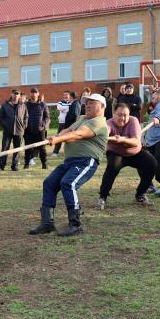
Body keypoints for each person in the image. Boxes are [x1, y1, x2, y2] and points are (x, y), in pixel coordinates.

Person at [29, 93, 109, 236]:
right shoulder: (83, 118)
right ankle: (47, 223)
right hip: (69, 161)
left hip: (86, 161)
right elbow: (69, 130)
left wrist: (59, 140)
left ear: (102, 106)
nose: (88, 105)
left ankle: (75, 225)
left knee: (68, 183)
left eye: (92, 102)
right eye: (87, 102)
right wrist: (57, 136)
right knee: (49, 183)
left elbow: (78, 134)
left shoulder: (99, 123)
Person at [95, 103, 157, 210]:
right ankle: (102, 197)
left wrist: (122, 139)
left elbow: (135, 142)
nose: (122, 118)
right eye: (119, 115)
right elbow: (104, 134)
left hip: (135, 152)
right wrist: (106, 137)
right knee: (112, 168)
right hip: (116, 153)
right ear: (114, 113)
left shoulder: (133, 121)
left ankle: (140, 194)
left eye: (125, 115)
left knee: (152, 164)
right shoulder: (108, 123)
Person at [0, 89, 28, 170]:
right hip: (8, 131)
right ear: (11, 94)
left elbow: (26, 117)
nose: (16, 95)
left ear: (20, 95)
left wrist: (23, 126)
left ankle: (15, 166)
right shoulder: (5, 105)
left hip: (19, 130)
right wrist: (5, 126)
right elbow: (0, 118)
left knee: (17, 149)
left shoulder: (23, 105)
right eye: (14, 94)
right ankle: (1, 166)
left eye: (17, 94)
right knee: (4, 148)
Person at [23, 87, 50, 169]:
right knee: (28, 148)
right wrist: (25, 126)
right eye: (32, 92)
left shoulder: (43, 104)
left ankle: (44, 164)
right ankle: (26, 164)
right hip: (28, 130)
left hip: (40, 130)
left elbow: (47, 117)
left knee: (42, 148)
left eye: (35, 92)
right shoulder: (26, 105)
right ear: (30, 94)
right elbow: (23, 116)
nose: (33, 94)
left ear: (38, 94)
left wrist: (43, 125)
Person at [52, 91, 72, 157]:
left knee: (69, 138)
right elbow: (59, 107)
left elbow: (71, 110)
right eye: (64, 95)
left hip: (69, 123)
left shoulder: (72, 103)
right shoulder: (60, 102)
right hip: (62, 123)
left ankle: (69, 153)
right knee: (58, 137)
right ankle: (55, 152)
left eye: (66, 95)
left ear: (69, 95)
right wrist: (67, 109)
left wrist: (65, 109)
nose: (65, 96)